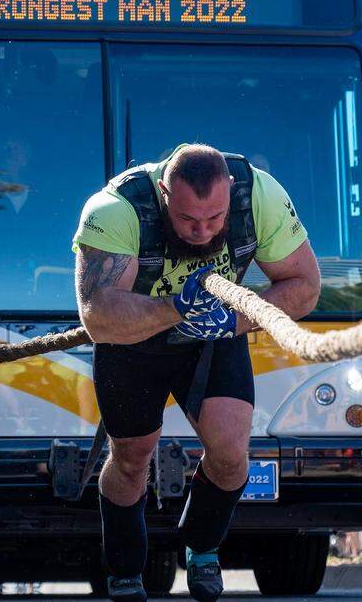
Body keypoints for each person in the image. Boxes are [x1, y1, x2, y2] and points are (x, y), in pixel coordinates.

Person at [73, 144, 320, 602]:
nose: (204, 232)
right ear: (165, 193)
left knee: (230, 449)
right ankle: (126, 568)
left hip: (214, 332)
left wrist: (236, 319)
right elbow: (98, 315)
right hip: (133, 340)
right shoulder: (117, 208)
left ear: (230, 194)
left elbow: (305, 287)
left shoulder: (259, 196)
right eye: (189, 221)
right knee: (132, 457)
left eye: (215, 219)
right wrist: (174, 307)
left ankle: (202, 547)